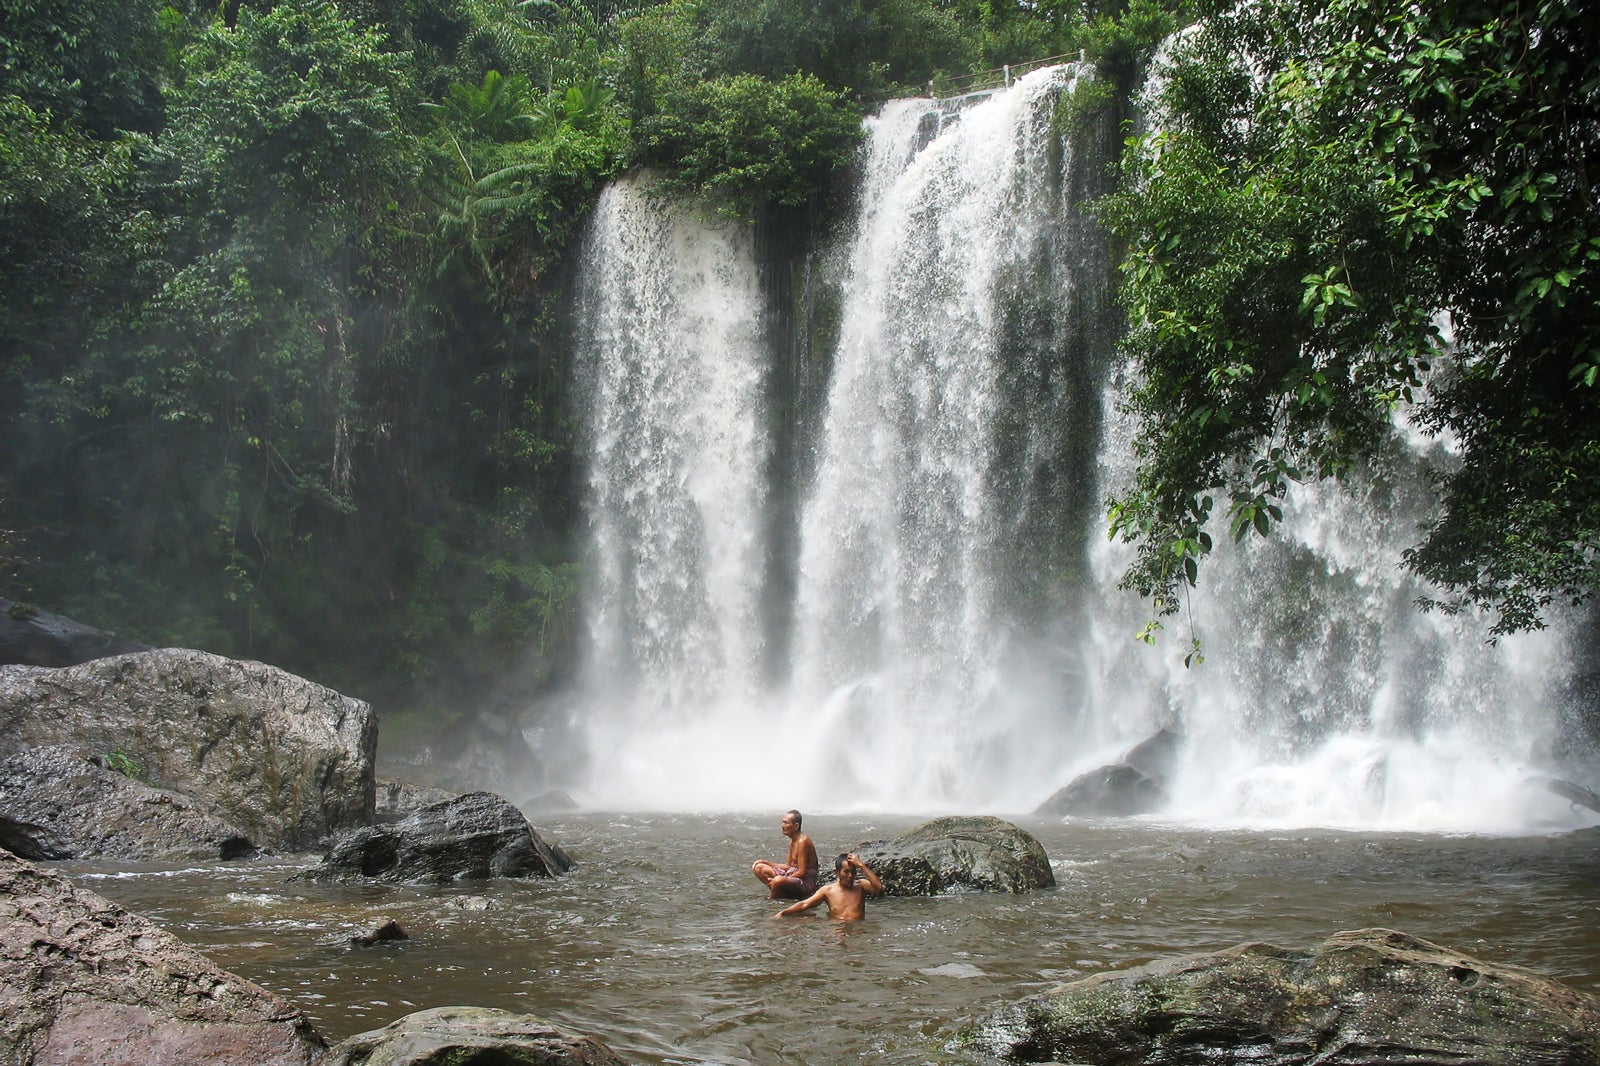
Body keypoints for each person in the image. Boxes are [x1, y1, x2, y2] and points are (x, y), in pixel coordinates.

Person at [774, 853, 882, 921]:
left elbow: (878, 887)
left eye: (853, 872)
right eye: (846, 872)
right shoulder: (828, 891)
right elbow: (805, 904)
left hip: (858, 933)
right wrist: (783, 913)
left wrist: (861, 865)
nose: (850, 876)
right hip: (838, 931)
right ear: (837, 872)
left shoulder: (861, 886)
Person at [752, 809, 819, 899]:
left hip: (806, 882)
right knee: (759, 867)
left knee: (778, 881)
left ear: (796, 826)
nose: (782, 826)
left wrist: (783, 879)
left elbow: (802, 872)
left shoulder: (803, 841)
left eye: (786, 823)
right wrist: (765, 862)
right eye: (782, 822)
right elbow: (788, 866)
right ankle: (780, 891)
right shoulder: (792, 841)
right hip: (793, 874)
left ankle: (773, 900)